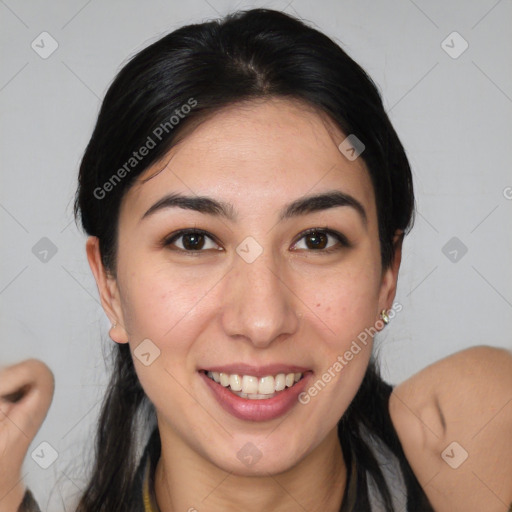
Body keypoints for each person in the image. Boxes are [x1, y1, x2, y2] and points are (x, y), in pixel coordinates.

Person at [0, 8, 511, 512]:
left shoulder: (481, 447)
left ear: (387, 275)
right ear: (109, 286)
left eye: (316, 240)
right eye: (194, 241)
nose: (262, 321)